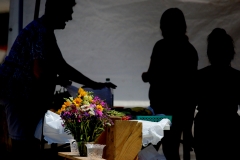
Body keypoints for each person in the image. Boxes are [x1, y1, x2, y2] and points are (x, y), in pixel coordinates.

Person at [0, 0, 116, 159]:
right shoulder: (41, 32)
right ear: (56, 11)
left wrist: (94, 84)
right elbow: (39, 71)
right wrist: (56, 80)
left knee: (25, 144)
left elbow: (61, 66)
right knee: (22, 147)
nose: (69, 17)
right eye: (68, 12)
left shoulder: (45, 32)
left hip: (22, 96)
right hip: (19, 94)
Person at [142, 8, 198, 160]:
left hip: (159, 108)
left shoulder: (160, 46)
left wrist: (147, 76)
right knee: (171, 150)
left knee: (147, 150)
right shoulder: (189, 50)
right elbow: (191, 87)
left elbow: (150, 74)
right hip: (180, 111)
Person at [194, 28, 240, 160]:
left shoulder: (200, 77)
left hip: (205, 129)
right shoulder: (237, 77)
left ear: (210, 53)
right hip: (230, 129)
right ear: (230, 53)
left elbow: (189, 105)